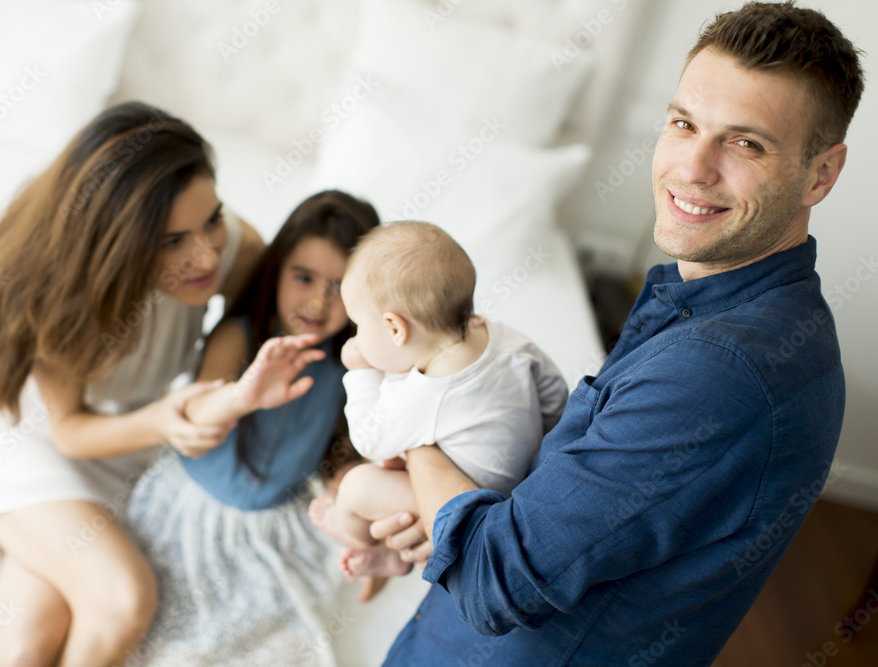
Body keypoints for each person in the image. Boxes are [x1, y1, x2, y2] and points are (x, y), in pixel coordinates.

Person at [371, 3, 865, 664]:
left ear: (821, 173)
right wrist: (444, 519)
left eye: (746, 143)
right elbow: (589, 501)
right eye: (684, 123)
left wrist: (420, 428)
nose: (694, 166)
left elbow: (495, 579)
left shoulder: (719, 370)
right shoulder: (735, 308)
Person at [0, 101, 266, 666]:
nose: (206, 253)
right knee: (121, 600)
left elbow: (244, 325)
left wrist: (209, 393)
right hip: (18, 437)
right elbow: (68, 433)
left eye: (211, 219)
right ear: (115, 242)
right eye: (171, 242)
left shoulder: (230, 247)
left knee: (28, 643)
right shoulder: (54, 290)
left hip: (122, 447)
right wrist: (165, 419)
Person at [125, 190, 380, 666]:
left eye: (339, 288)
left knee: (282, 647)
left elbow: (335, 449)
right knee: (171, 643)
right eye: (303, 277)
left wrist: (361, 511)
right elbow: (194, 412)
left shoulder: (343, 365)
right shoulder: (239, 335)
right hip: (195, 515)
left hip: (272, 524)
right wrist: (244, 395)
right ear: (277, 268)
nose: (318, 301)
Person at [308, 221, 568, 582]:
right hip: (519, 481)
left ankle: (366, 540)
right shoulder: (496, 334)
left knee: (357, 485)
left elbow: (367, 437)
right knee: (396, 455)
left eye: (358, 326)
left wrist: (360, 373)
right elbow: (554, 394)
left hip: (472, 507)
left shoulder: (427, 392)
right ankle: (391, 557)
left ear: (395, 329)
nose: (355, 337)